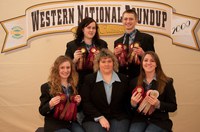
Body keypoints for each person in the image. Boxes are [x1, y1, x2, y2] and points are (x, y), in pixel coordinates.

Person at [80, 49, 130, 132]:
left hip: (118, 117)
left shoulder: (123, 79)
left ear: (114, 63)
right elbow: (86, 103)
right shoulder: (89, 79)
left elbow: (127, 102)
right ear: (98, 64)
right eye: (103, 61)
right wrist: (100, 117)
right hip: (94, 118)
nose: (106, 64)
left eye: (109, 61)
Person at [129, 51, 177, 132]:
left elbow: (173, 107)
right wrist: (133, 104)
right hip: (140, 119)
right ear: (142, 63)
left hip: (159, 120)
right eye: (146, 60)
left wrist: (158, 104)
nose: (148, 63)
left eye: (152, 61)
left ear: (156, 64)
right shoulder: (134, 82)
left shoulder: (167, 82)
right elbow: (128, 108)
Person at [39, 55, 85, 132]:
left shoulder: (76, 86)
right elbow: (42, 111)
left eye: (68, 67)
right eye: (62, 67)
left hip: (71, 123)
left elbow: (78, 110)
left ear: (71, 69)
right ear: (57, 69)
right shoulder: (46, 87)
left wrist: (78, 103)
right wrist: (50, 104)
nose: (66, 70)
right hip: (55, 124)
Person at [65, 17, 108, 89]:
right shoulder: (72, 45)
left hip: (98, 82)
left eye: (94, 28)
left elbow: (108, 63)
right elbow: (65, 66)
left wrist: (100, 58)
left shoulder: (102, 44)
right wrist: (74, 60)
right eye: (88, 27)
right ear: (82, 29)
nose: (91, 30)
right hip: (80, 83)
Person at [114, 9, 155, 80]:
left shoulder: (147, 38)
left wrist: (143, 54)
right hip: (122, 79)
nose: (128, 21)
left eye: (131, 19)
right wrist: (114, 55)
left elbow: (154, 60)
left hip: (140, 79)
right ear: (122, 21)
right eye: (125, 19)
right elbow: (116, 64)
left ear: (136, 21)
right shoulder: (117, 42)